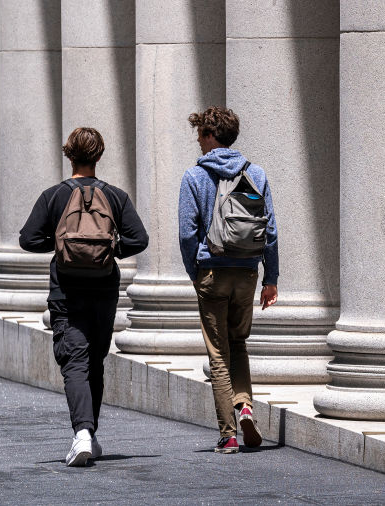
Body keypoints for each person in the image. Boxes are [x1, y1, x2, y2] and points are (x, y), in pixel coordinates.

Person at [19, 127, 149, 466]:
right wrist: (109, 250)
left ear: (68, 155)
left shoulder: (53, 196)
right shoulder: (116, 196)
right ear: (99, 156)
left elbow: (27, 239)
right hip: (104, 290)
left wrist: (62, 247)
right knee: (94, 362)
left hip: (66, 290)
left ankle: (81, 435)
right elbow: (140, 239)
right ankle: (90, 434)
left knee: (73, 361)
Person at [178, 106, 279, 454]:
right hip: (248, 272)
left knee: (218, 354)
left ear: (210, 136)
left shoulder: (194, 177)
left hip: (212, 271)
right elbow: (272, 233)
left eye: (200, 135)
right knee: (239, 344)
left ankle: (228, 434)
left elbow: (187, 233)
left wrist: (196, 273)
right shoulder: (257, 174)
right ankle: (246, 405)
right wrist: (271, 278)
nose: (199, 142)